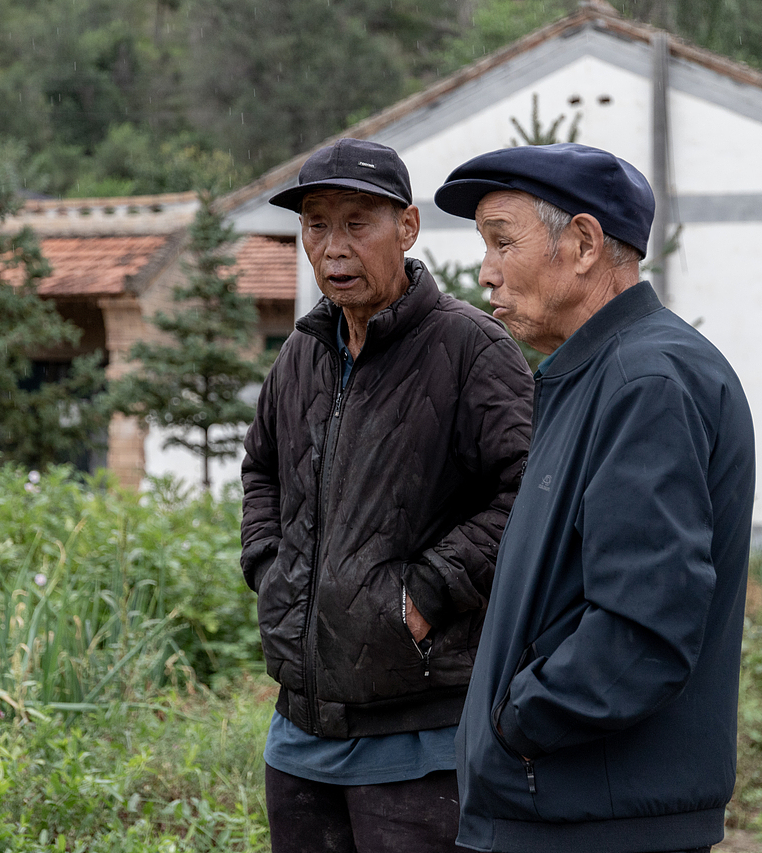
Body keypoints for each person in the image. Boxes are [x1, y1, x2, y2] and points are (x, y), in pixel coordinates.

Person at [434, 142, 756, 853]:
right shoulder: (592, 375)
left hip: (594, 821)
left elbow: (643, 628)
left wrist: (514, 723)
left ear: (582, 243)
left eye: (501, 241)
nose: (484, 271)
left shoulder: (647, 381)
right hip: (574, 807)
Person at [240, 138, 534, 853]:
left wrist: (427, 591)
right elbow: (262, 470)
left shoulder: (472, 348)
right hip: (299, 732)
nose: (333, 247)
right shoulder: (301, 353)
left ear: (407, 227)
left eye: (356, 223)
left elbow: (529, 491)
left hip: (419, 739)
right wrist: (270, 567)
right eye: (316, 224)